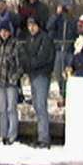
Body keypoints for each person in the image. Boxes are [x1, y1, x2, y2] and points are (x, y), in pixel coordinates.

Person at [20, 15, 54, 148]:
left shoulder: (45, 39)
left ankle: (44, 138)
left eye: (33, 25)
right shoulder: (30, 39)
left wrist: (29, 63)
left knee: (41, 105)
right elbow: (25, 55)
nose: (31, 28)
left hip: (42, 74)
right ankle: (41, 135)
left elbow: (42, 58)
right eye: (29, 25)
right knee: (36, 105)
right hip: (33, 75)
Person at [0, 19, 21, 145]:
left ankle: (12, 134)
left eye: (6, 31)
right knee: (2, 109)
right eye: (2, 31)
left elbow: (20, 64)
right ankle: (2, 134)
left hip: (11, 81)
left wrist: (15, 77)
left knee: (11, 108)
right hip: (0, 80)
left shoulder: (15, 44)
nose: (3, 33)